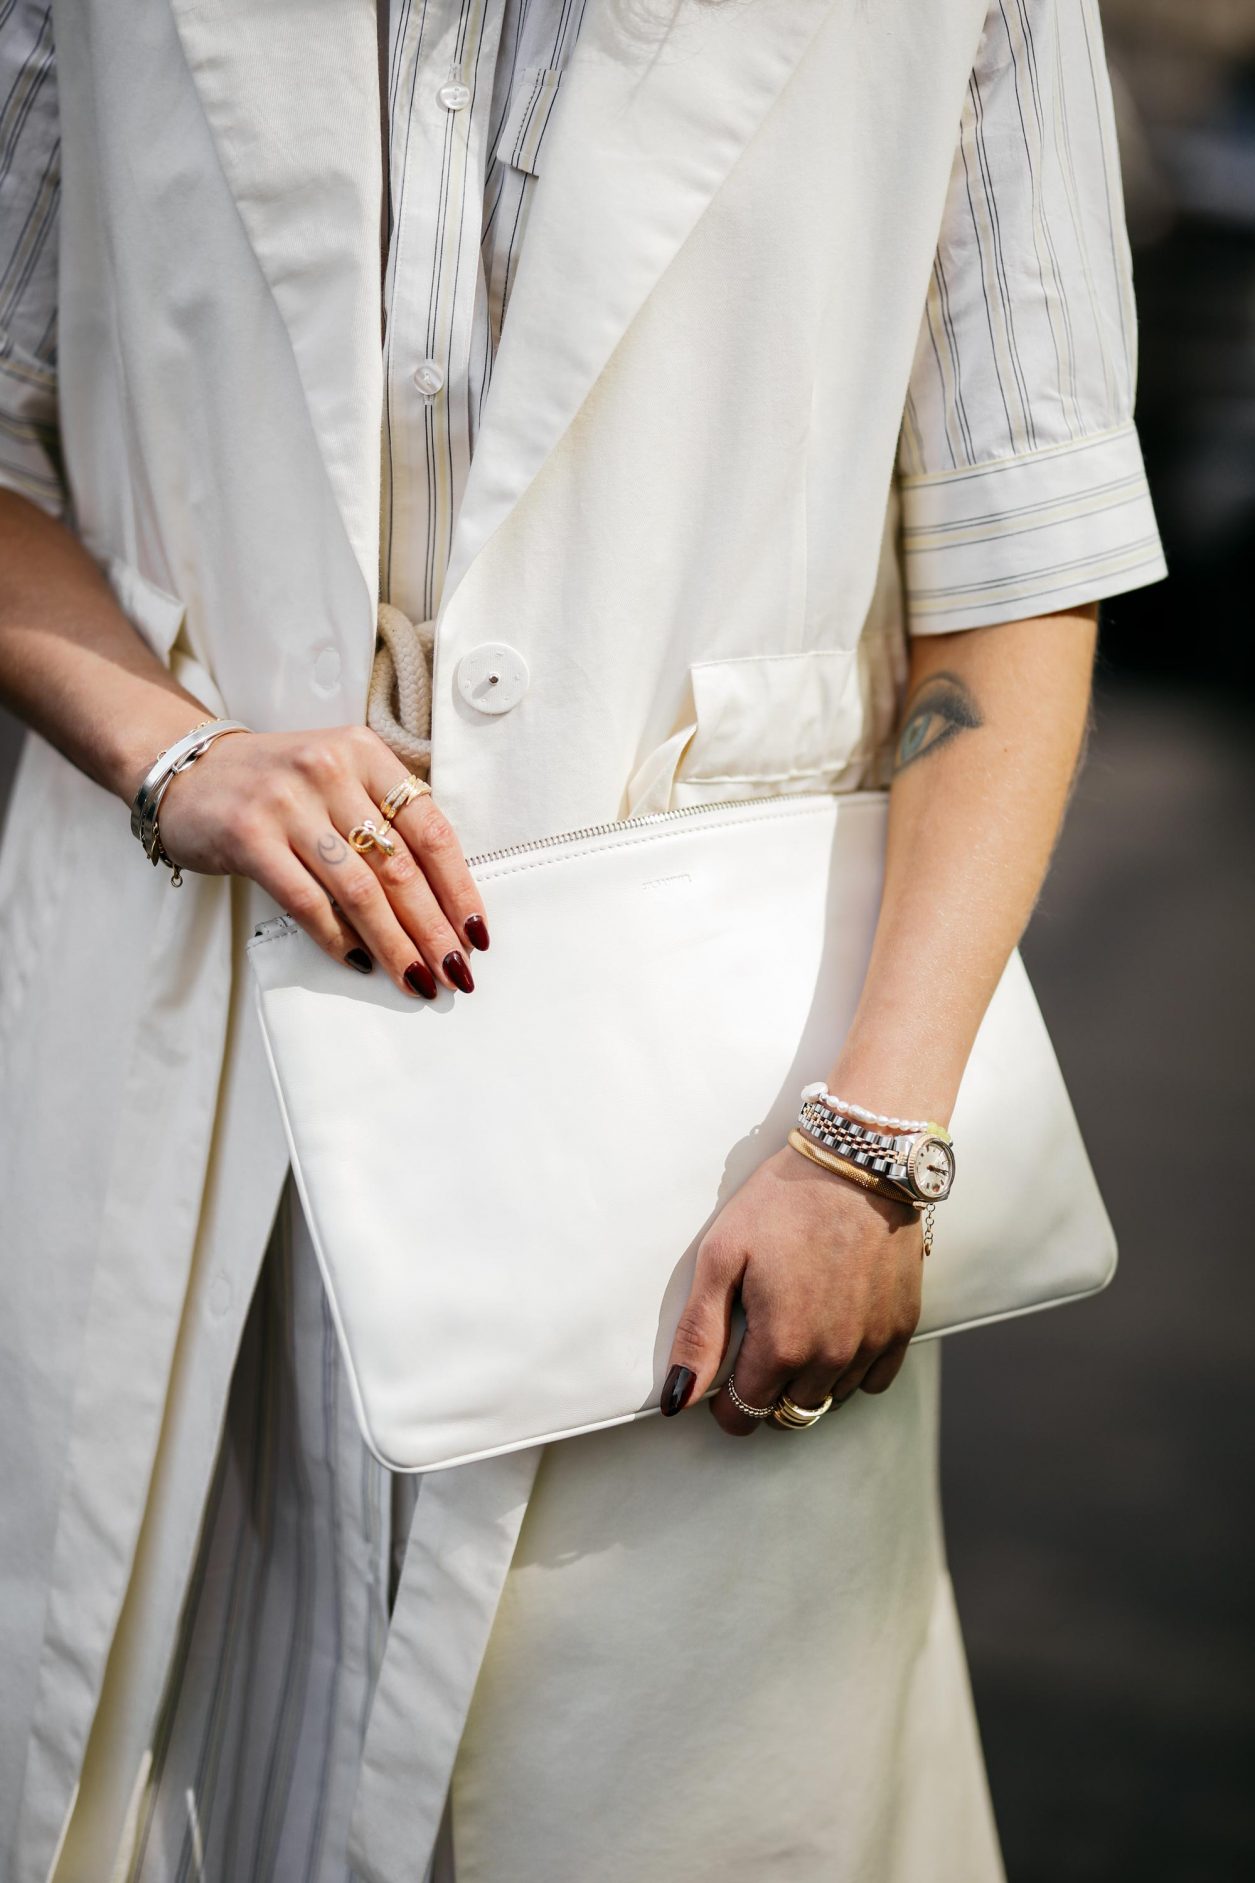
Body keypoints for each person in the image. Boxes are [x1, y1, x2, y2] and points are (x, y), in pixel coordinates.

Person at [0, 2, 1166, 1879]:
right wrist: (172, 748)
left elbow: (1016, 564)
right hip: (181, 1073)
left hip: (701, 1130)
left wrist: (876, 1133)